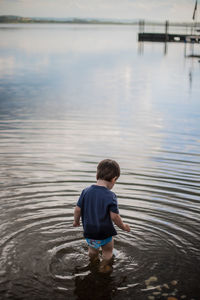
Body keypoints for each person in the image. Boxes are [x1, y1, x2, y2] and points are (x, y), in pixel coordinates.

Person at [73, 159, 130, 271]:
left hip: (90, 232)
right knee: (108, 252)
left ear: (97, 175)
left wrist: (76, 221)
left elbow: (77, 210)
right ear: (114, 179)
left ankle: (93, 262)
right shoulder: (111, 195)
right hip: (105, 233)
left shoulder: (85, 191)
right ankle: (103, 267)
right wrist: (123, 226)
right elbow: (115, 217)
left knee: (92, 250)